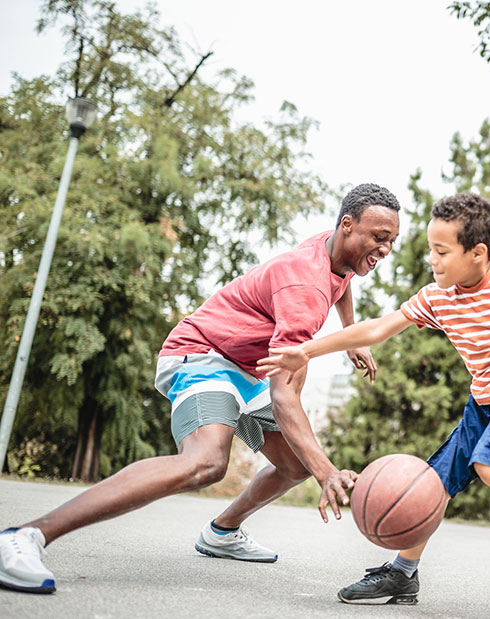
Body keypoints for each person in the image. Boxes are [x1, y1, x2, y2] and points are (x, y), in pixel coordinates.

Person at [0, 183, 401, 595]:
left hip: (247, 365)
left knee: (294, 463)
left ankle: (222, 533)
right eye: (378, 238)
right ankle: (26, 535)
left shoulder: (332, 249)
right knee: (206, 463)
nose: (385, 249)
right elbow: (284, 398)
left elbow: (343, 280)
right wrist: (328, 473)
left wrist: (351, 335)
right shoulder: (304, 288)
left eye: (392, 240)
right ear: (348, 225)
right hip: (202, 353)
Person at [258, 192, 490, 619]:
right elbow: (379, 328)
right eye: (429, 250)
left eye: (441, 252)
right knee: (433, 482)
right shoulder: (438, 298)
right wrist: (307, 350)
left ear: (478, 253)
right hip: (485, 402)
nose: (432, 261)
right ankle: (404, 571)